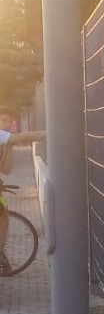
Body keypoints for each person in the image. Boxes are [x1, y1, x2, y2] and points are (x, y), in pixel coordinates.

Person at [0, 107, 46, 275]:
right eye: (3, 120)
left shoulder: (4, 142)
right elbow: (25, 137)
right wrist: (51, 131)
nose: (6, 124)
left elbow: (5, 169)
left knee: (3, 214)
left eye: (9, 121)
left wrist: (10, 148)